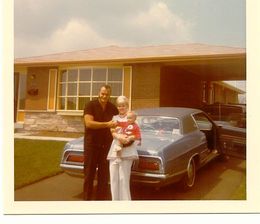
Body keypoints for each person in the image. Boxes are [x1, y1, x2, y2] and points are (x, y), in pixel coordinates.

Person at [83, 84, 118, 200]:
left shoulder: (112, 108)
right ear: (99, 93)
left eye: (107, 94)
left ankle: (100, 201)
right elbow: (89, 123)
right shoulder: (90, 105)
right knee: (89, 174)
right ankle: (87, 200)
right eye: (103, 93)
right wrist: (107, 124)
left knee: (104, 176)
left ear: (110, 95)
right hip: (92, 144)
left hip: (106, 146)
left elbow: (119, 123)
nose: (104, 96)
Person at [107, 96, 141, 200]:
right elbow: (112, 131)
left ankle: (125, 204)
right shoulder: (114, 118)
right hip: (115, 148)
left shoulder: (132, 117)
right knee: (113, 178)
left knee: (123, 178)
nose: (121, 107)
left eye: (123, 105)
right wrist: (118, 136)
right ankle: (115, 202)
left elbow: (136, 134)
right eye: (119, 105)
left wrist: (128, 139)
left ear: (127, 106)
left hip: (127, 149)